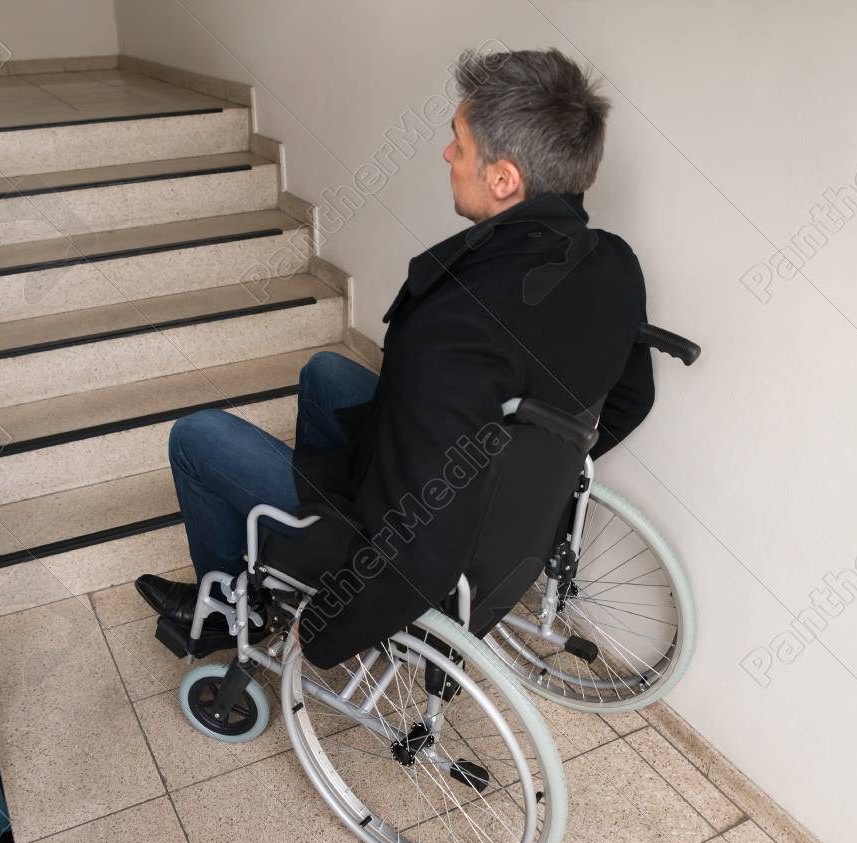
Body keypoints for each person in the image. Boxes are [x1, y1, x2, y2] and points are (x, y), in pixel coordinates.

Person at [136, 47, 655, 669]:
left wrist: (329, 632)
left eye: (458, 143)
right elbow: (632, 398)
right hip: (481, 508)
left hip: (403, 543)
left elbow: (424, 547)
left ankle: (229, 613)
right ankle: (284, 557)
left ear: (503, 179)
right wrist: (533, 476)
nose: (446, 154)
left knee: (195, 437)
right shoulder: (612, 262)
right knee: (325, 371)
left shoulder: (455, 323)